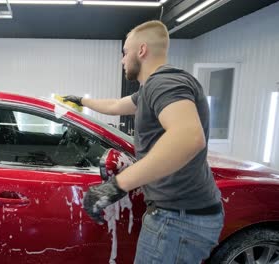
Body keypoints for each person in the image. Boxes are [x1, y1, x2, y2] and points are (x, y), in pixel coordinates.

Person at [63, 20, 224, 263]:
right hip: (181, 216)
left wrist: (115, 186)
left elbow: (189, 137)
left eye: (125, 52)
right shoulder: (153, 87)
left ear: (142, 50)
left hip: (178, 222)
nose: (122, 60)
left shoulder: (164, 83)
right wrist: (81, 101)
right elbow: (117, 106)